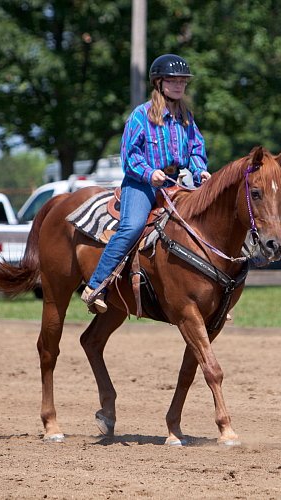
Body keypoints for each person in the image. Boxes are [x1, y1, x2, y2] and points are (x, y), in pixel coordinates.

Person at [81, 53, 211, 313]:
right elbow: (129, 156)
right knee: (133, 227)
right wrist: (149, 173)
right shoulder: (141, 116)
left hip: (176, 181)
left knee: (202, 223)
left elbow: (196, 149)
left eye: (183, 81)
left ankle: (208, 292)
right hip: (141, 183)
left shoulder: (186, 118)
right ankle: (95, 285)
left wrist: (200, 172)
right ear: (159, 82)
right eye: (173, 81)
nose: (178, 86)